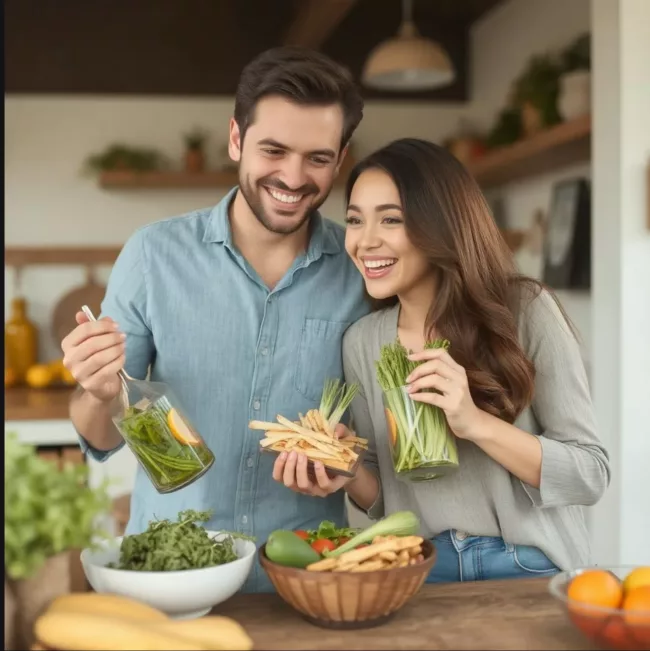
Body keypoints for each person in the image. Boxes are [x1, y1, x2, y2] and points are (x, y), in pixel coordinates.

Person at [60, 47, 372, 593]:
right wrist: (98, 390)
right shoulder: (154, 255)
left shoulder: (362, 269)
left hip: (307, 578)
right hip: (171, 570)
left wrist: (346, 457)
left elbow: (381, 446)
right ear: (236, 140)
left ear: (340, 159)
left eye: (317, 158)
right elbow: (101, 435)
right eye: (273, 150)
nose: (293, 177)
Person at [273, 137, 611, 582]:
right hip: (421, 568)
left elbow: (589, 474)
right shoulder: (363, 340)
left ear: (441, 225)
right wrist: (349, 471)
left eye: (391, 219)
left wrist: (475, 423)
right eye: (355, 220)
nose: (365, 241)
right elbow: (385, 496)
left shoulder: (524, 310)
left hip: (527, 561)